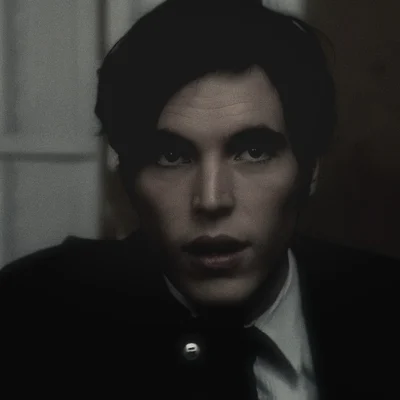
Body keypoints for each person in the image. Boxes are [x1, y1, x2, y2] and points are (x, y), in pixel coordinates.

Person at [1, 0, 399, 399]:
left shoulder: (383, 305)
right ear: (126, 177)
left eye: (254, 152)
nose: (210, 200)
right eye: (171, 156)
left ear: (309, 168)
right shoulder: (29, 318)